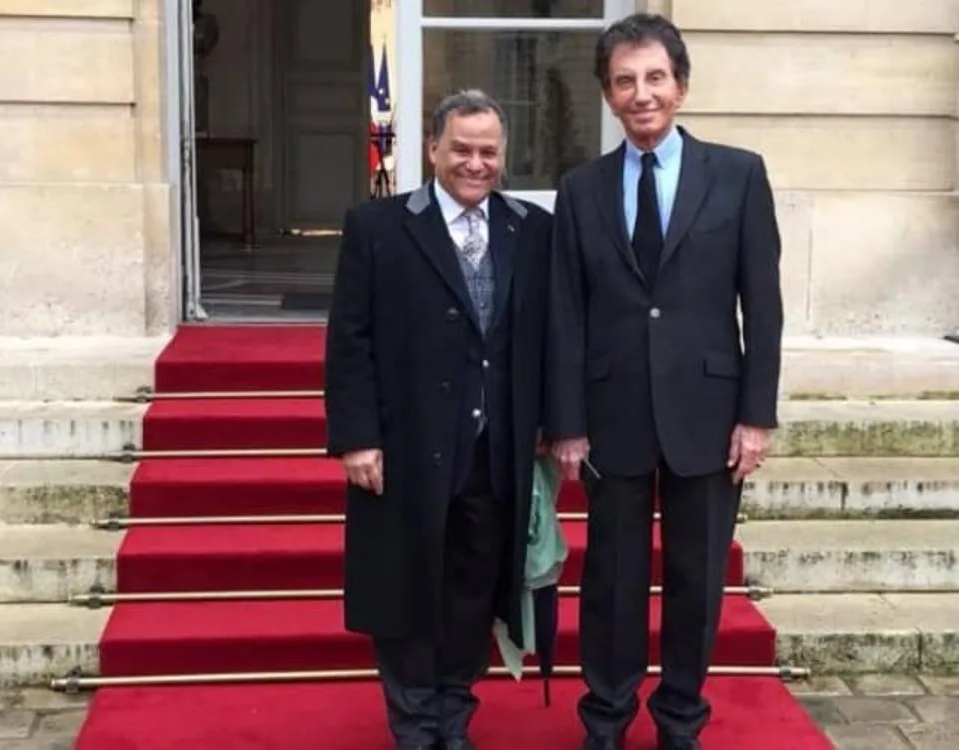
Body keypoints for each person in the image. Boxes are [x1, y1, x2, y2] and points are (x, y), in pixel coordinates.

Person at [543, 13, 783, 750]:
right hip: (610, 413)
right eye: (624, 81)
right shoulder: (580, 188)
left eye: (654, 77)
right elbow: (565, 314)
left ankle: (680, 719)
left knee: (696, 578)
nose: (641, 94)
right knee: (611, 580)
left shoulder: (739, 175)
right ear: (608, 95)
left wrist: (756, 417)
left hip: (710, 414)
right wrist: (566, 422)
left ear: (680, 86)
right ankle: (606, 718)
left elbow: (763, 306)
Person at [324, 90, 552, 750]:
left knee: (474, 594)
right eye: (461, 149)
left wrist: (550, 420)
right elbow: (349, 341)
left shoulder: (532, 230)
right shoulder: (377, 227)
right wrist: (357, 438)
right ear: (433, 149)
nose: (475, 164)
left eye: (488, 152)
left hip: (494, 451)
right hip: (405, 448)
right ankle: (416, 727)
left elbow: (550, 336)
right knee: (405, 593)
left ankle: (454, 720)